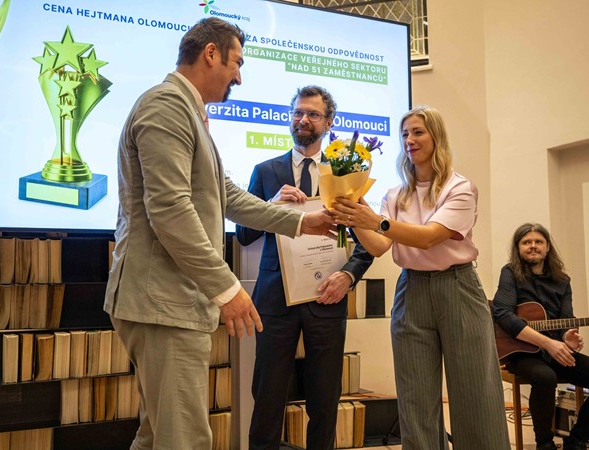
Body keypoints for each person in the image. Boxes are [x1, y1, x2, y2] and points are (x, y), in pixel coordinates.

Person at [103, 18, 335, 450]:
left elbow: (226, 194)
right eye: (237, 63)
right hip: (163, 302)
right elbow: (170, 210)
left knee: (156, 437)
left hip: (169, 301)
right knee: (184, 440)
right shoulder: (167, 106)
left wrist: (302, 222)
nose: (239, 77)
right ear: (211, 54)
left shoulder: (187, 111)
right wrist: (227, 288)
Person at [330, 105, 510, 449]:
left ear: (436, 136)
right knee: (415, 397)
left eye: (417, 132)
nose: (409, 140)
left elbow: (429, 237)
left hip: (457, 287)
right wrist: (352, 216)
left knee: (474, 393)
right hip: (411, 288)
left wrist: (376, 222)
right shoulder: (395, 195)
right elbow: (379, 246)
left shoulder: (460, 189)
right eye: (404, 134)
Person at [236, 85, 375, 450]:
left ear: (328, 122)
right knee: (267, 395)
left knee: (325, 398)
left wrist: (348, 275)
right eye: (298, 112)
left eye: (313, 114)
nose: (303, 119)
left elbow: (367, 240)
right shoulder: (265, 171)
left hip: (328, 297)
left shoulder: (346, 173)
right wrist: (270, 205)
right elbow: (244, 235)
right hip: (275, 299)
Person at [493, 223, 589, 450]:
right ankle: (544, 444)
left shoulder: (562, 280)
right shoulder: (510, 273)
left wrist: (567, 336)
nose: (533, 246)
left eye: (538, 241)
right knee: (545, 377)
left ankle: (576, 440)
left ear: (547, 247)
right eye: (526, 242)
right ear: (518, 248)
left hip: (556, 351)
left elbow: (566, 318)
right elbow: (502, 313)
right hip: (520, 352)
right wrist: (548, 343)